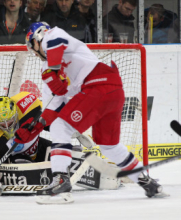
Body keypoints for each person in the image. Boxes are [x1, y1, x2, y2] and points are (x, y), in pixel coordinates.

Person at [17, 22, 167, 204]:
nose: (33, 52)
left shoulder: (53, 35)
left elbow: (56, 42)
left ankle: (60, 182)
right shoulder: (46, 70)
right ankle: (147, 183)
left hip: (98, 86)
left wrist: (54, 70)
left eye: (32, 45)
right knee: (109, 146)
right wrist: (37, 127)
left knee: (61, 126)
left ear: (38, 37)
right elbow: (54, 105)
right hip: (113, 91)